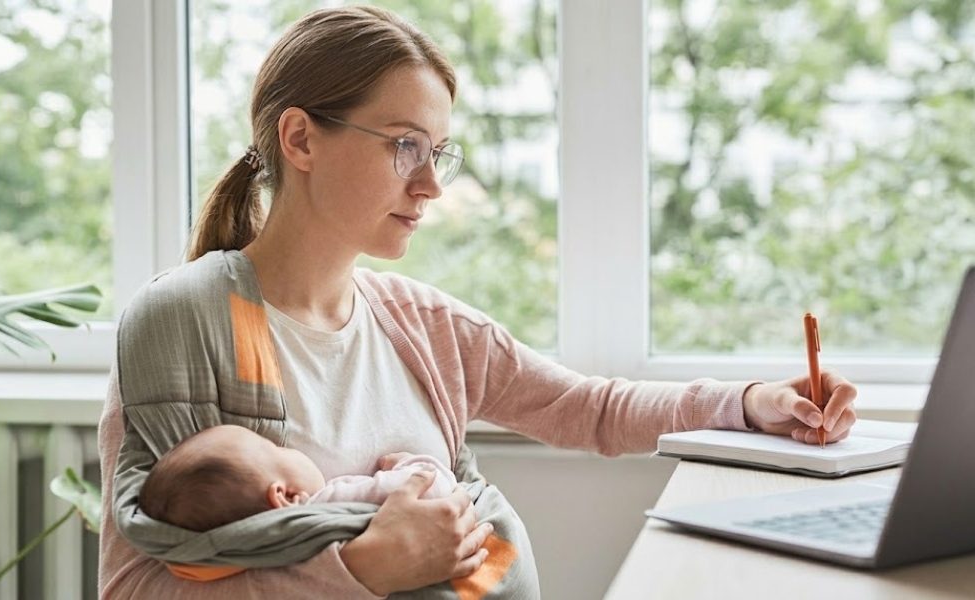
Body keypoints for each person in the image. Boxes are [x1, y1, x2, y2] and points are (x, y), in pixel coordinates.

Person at [97, 5, 858, 599]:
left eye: (438, 153)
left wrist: (753, 403)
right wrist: (363, 571)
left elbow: (590, 408)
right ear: (300, 139)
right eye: (404, 145)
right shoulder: (184, 324)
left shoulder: (421, 325)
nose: (431, 184)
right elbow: (137, 588)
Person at [139, 425, 457, 533]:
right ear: (285, 496)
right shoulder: (329, 506)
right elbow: (434, 488)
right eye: (274, 449)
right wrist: (405, 464)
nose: (286, 446)